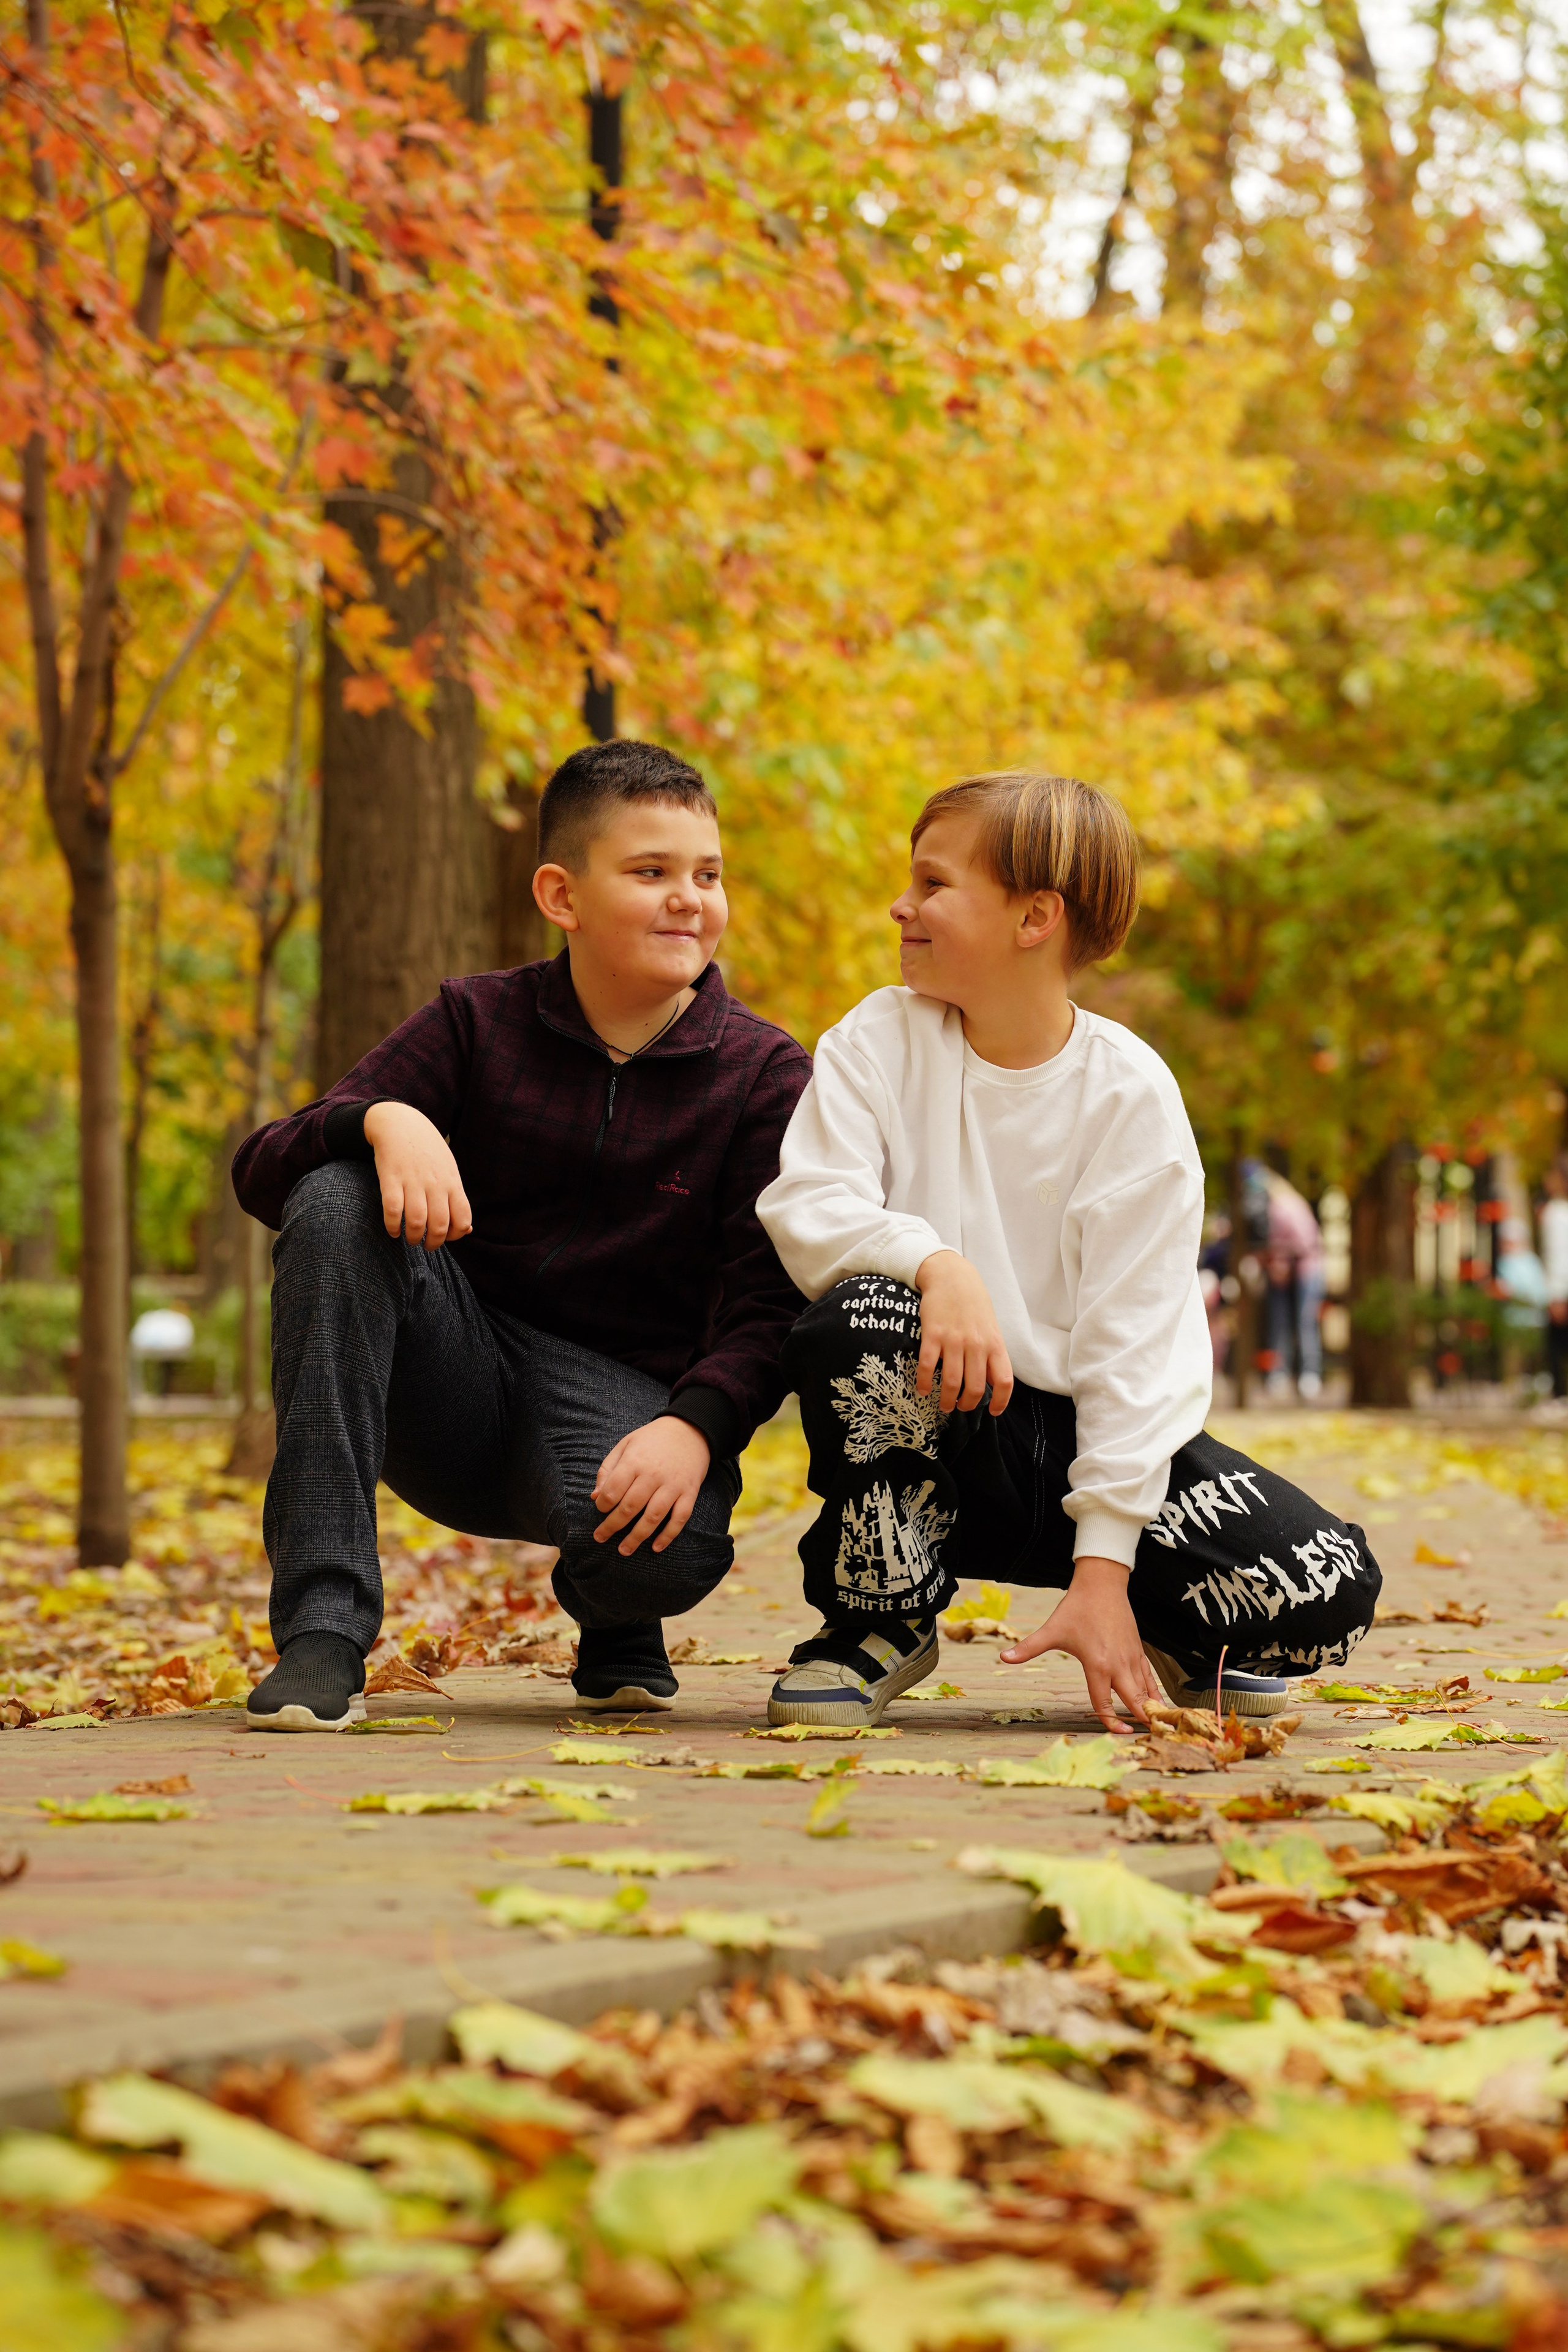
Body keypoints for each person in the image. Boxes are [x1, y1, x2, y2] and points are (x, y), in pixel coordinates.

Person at [756, 770, 1382, 1732]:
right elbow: (809, 1206)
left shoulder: (1129, 1094)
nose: (902, 906)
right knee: (857, 1318)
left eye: (933, 885)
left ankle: (1156, 1624)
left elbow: (1138, 1353)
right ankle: (879, 1618)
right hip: (946, 1414)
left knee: (1327, 1587)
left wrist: (1104, 1570)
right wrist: (937, 1264)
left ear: (1034, 916)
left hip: (1088, 1440)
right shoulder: (878, 1039)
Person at [232, 740, 810, 1730]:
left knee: (670, 1554)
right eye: (650, 872)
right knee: (334, 1197)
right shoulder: (476, 1021)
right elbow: (263, 1166)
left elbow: (769, 1300)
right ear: (561, 896)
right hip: (450, 1378)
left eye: (707, 875)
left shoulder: (762, 1075)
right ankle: (323, 1635)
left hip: (619, 1403)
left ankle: (613, 1617)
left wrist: (696, 1429)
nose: (689, 899)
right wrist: (377, 1119)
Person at [1543, 1163, 1568, 1402]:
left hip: (1563, 1289)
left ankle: (1560, 1396)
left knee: (1556, 1346)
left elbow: (1559, 1254)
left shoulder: (1556, 1213)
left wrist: (1557, 1293)